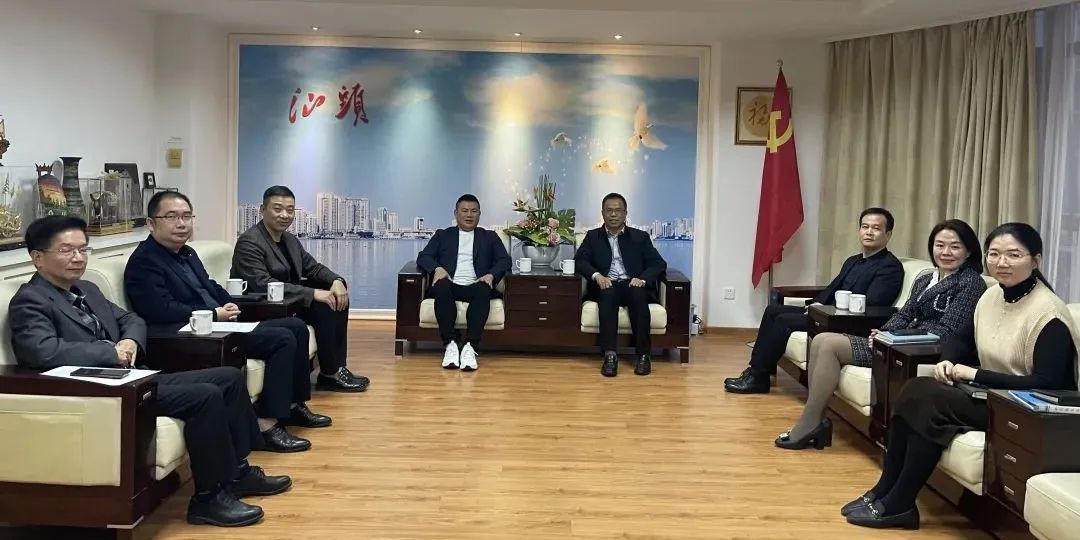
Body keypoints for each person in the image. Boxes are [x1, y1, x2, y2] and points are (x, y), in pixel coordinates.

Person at [9, 216, 292, 527]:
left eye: (83, 249)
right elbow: (41, 351)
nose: (78, 258)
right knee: (205, 395)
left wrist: (129, 341)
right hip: (103, 391)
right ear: (37, 257)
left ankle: (237, 474)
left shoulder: (87, 289)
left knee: (228, 377)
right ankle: (209, 499)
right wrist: (110, 353)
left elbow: (130, 319)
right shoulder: (30, 300)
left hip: (133, 377)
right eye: (66, 250)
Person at [844, 223, 1079, 530]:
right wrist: (948, 360)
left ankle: (898, 502)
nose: (1002, 262)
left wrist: (976, 373)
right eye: (994, 254)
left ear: (1036, 260)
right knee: (916, 390)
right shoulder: (992, 295)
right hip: (989, 395)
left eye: (1014, 255)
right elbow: (960, 339)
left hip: (1022, 409)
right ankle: (886, 490)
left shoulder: (1049, 313)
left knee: (927, 399)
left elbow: (1049, 383)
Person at [124, 191, 321, 454]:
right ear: (151, 223)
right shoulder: (145, 261)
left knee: (295, 327)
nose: (181, 224)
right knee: (282, 338)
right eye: (171, 217)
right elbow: (159, 310)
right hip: (191, 335)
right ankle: (266, 424)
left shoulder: (187, 253)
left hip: (219, 324)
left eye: (186, 217)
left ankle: (292, 406)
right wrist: (214, 313)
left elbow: (211, 286)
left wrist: (229, 304)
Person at [776, 219, 987, 450]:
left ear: (968, 251)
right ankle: (816, 420)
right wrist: (882, 333)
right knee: (820, 340)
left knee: (829, 345)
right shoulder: (926, 278)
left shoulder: (970, 283)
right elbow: (904, 313)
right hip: (894, 343)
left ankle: (810, 423)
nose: (946, 252)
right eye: (940, 245)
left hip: (918, 352)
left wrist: (893, 337)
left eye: (955, 247)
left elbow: (948, 331)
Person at [725, 207, 905, 393]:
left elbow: (872, 305)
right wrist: (816, 305)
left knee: (784, 320)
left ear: (888, 234)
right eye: (865, 227)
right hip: (828, 314)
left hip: (849, 322)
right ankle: (757, 370)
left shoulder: (890, 267)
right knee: (773, 310)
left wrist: (824, 313)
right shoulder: (853, 260)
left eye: (876, 228)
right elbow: (832, 288)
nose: (869, 232)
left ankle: (757, 377)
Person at [231, 185, 368, 392]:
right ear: (262, 209)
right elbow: (261, 283)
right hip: (262, 307)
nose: (284, 215)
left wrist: (336, 281)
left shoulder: (290, 240)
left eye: (290, 210)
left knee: (336, 297)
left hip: (289, 303)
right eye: (277, 209)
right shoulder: (249, 242)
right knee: (323, 305)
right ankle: (330, 373)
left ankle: (335, 369)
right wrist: (313, 293)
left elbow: (313, 268)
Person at [574, 193, 667, 377]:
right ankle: (610, 355)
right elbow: (580, 261)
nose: (613, 214)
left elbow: (658, 264)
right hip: (606, 285)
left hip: (632, 284)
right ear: (602, 213)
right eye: (609, 210)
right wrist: (597, 276)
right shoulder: (593, 237)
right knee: (607, 296)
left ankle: (643, 356)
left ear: (625, 214)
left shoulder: (640, 237)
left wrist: (642, 279)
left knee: (638, 295)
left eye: (618, 210)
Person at [416, 194, 511, 371]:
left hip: (476, 285)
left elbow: (505, 260)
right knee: (441, 286)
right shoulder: (443, 235)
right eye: (464, 211)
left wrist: (491, 275)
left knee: (484, 289)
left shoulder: (489, 237)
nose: (469, 215)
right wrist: (437, 268)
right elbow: (424, 257)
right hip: (450, 284)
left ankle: (470, 347)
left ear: (479, 214)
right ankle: (451, 345)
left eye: (474, 211)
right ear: (456, 213)